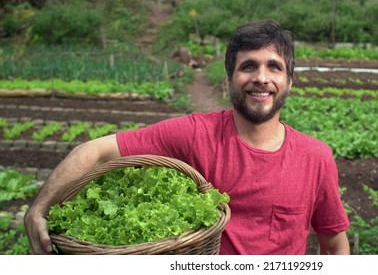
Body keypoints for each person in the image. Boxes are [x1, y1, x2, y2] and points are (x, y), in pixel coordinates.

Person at [24, 19, 350, 255]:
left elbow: (334, 244)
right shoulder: (195, 134)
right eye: (248, 66)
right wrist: (38, 210)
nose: (261, 78)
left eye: (274, 67)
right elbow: (95, 152)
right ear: (229, 80)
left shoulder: (314, 157)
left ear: (289, 81)